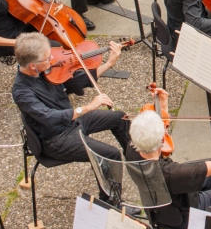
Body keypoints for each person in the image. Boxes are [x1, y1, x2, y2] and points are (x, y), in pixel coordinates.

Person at [126, 105, 211, 228]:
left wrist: (163, 105)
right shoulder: (173, 173)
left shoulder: (131, 149)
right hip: (186, 214)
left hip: (161, 210)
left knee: (210, 174)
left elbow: (163, 135)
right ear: (162, 139)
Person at [12, 31, 129, 171]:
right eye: (47, 58)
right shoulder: (21, 92)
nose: (52, 59)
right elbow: (49, 117)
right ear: (33, 66)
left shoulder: (45, 70)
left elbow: (77, 82)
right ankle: (108, 193)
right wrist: (88, 107)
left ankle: (137, 163)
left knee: (120, 118)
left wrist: (109, 63)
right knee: (111, 154)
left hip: (72, 120)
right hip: (56, 138)